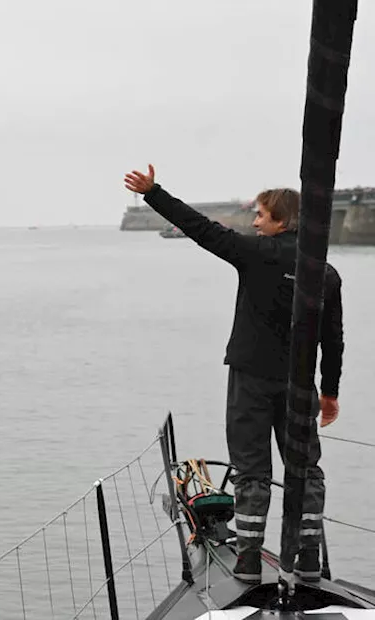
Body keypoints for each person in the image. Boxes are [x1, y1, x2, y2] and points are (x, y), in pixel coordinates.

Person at [124, 164, 343, 584]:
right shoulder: (326, 275)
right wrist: (329, 393)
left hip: (251, 380)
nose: (255, 222)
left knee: (252, 469)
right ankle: (309, 557)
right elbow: (334, 341)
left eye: (261, 215)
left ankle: (247, 560)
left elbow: (201, 228)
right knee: (305, 469)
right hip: (300, 386)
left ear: (281, 220)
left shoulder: (255, 254)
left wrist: (153, 192)